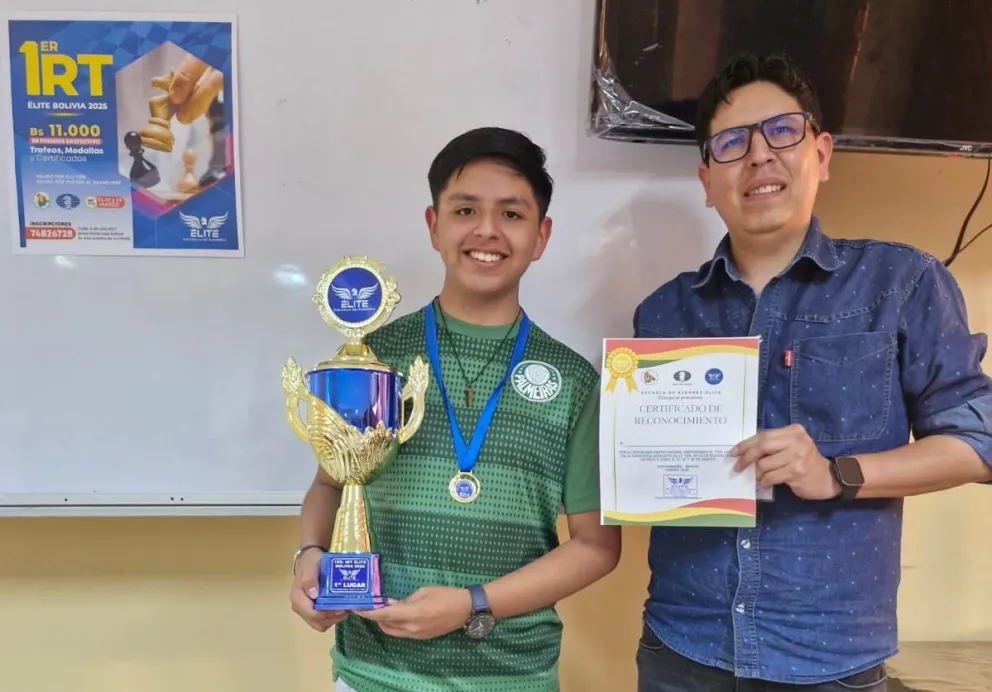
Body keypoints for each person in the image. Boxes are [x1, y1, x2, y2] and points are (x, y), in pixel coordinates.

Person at [632, 52, 992, 691]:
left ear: (821, 154)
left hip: (828, 659)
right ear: (706, 179)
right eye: (731, 143)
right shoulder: (664, 310)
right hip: (681, 649)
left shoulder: (901, 284)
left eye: (782, 131)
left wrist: (837, 473)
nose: (759, 156)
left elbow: (980, 441)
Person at [289, 126, 622, 691]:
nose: (487, 230)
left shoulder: (573, 382)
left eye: (512, 215)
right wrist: (310, 555)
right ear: (434, 225)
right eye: (466, 209)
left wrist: (473, 603)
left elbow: (596, 547)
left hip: (511, 676)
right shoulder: (376, 360)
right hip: (375, 674)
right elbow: (330, 486)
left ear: (541, 236)